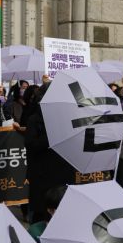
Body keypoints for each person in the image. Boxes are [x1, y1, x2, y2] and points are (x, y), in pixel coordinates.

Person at [24, 84, 75, 223]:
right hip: (42, 177)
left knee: (64, 216)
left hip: (64, 174)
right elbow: (31, 144)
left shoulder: (67, 118)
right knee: (42, 217)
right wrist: (53, 134)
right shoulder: (34, 119)